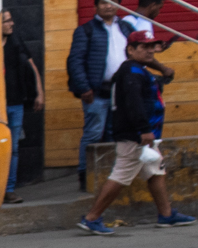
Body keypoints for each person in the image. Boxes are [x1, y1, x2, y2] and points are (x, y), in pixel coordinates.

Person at [79, 32, 197, 233]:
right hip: (135, 136)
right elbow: (134, 103)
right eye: (144, 47)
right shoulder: (132, 72)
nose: (150, 51)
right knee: (121, 175)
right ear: (131, 50)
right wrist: (144, 130)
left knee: (155, 170)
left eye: (151, 46)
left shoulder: (137, 70)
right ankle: (92, 218)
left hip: (143, 135)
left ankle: (166, 214)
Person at [67, 0, 126, 191]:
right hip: (95, 93)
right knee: (93, 134)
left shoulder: (126, 28)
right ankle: (85, 175)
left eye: (113, 2)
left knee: (112, 134)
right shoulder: (86, 30)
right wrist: (84, 88)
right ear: (96, 6)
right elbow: (75, 62)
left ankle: (107, 175)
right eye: (103, 2)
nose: (108, 6)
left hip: (119, 92)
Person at [0, 11, 43, 204]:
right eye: (7, 21)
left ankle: (9, 190)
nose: (12, 23)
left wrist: (39, 92)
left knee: (14, 149)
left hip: (15, 103)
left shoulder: (15, 41)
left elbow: (32, 66)